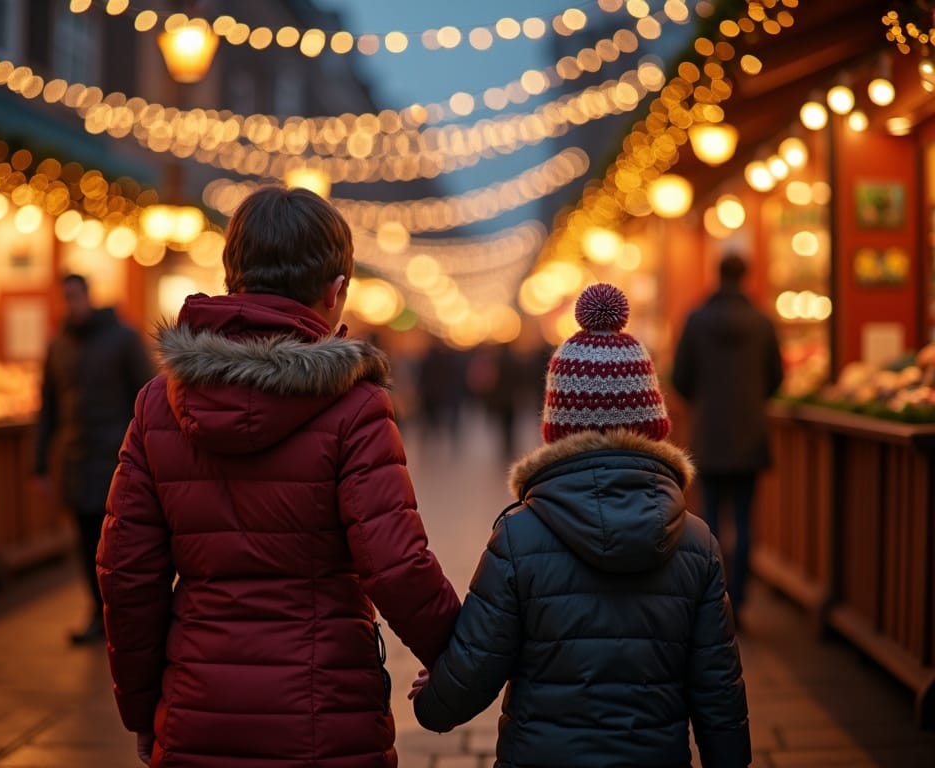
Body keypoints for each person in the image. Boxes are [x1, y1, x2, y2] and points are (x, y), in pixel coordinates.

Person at [97, 186, 461, 768]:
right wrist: (463, 659)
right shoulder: (355, 405)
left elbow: (127, 574)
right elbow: (395, 564)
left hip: (198, 708)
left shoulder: (157, 405)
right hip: (327, 712)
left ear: (232, 275)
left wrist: (142, 710)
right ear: (336, 290)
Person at [411, 284, 751, 768]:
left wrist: (434, 700)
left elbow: (477, 664)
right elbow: (718, 684)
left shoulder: (519, 536)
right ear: (653, 422)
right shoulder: (696, 541)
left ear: (557, 426)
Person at [34, 273, 154, 645]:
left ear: (88, 295)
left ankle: (122, 612)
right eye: (65, 297)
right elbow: (48, 408)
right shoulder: (59, 346)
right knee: (87, 542)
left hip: (118, 460)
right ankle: (97, 611)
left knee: (120, 542)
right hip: (76, 459)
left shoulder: (123, 338)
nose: (71, 304)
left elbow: (147, 399)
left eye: (75, 296)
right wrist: (38, 463)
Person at [671, 253, 784, 621]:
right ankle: (741, 599)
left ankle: (714, 599)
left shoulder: (695, 319)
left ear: (716, 275)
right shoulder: (763, 322)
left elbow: (680, 378)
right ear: (747, 275)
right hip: (750, 434)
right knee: (746, 519)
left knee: (710, 522)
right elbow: (776, 377)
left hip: (708, 435)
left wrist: (703, 404)